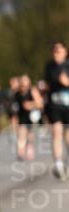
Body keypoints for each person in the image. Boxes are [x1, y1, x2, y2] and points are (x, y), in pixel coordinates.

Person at [41, 40, 69, 181]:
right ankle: (58, 164)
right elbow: (47, 84)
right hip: (55, 106)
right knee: (56, 133)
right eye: (54, 50)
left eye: (59, 50)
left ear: (65, 52)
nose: (56, 53)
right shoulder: (49, 67)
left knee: (68, 137)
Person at [13, 74, 44, 161]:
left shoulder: (32, 91)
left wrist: (31, 105)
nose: (24, 83)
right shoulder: (17, 93)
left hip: (31, 115)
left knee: (30, 134)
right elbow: (15, 107)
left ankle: (30, 148)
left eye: (25, 80)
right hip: (22, 116)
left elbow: (40, 103)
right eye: (22, 80)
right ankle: (20, 151)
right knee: (21, 133)